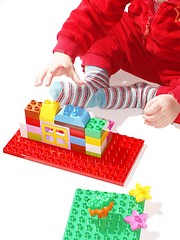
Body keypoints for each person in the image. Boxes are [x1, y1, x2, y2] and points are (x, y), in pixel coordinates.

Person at [35, 0, 180, 128]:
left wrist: (176, 99)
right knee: (100, 30)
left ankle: (146, 96)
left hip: (175, 69)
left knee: (174, 108)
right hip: (139, 45)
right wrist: (65, 51)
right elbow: (95, 11)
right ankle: (95, 83)